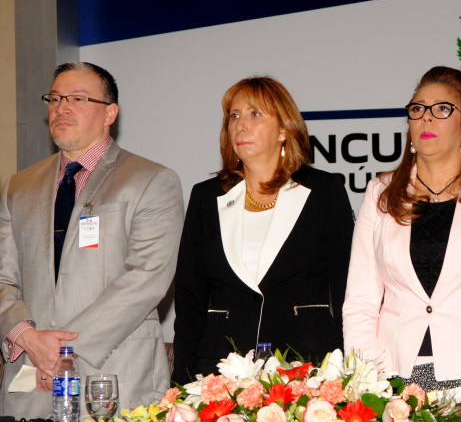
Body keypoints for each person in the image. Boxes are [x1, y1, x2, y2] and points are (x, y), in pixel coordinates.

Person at [0, 62, 184, 416]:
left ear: (109, 113)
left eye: (78, 98)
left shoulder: (150, 180)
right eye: (55, 98)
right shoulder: (17, 187)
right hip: (32, 379)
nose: (62, 108)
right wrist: (28, 337)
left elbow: (148, 277)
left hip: (115, 374)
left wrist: (63, 350)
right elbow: (3, 278)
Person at [342, 66, 461, 405]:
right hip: (392, 385)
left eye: (442, 109)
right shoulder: (380, 193)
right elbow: (360, 304)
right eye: (417, 108)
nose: (426, 117)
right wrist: (371, 390)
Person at [172, 77, 354, 383]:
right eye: (234, 115)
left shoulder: (324, 191)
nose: (240, 126)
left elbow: (348, 287)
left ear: (283, 129)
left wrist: (349, 374)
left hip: (306, 368)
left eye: (255, 114)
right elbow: (189, 297)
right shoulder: (206, 197)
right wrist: (181, 381)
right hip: (221, 371)